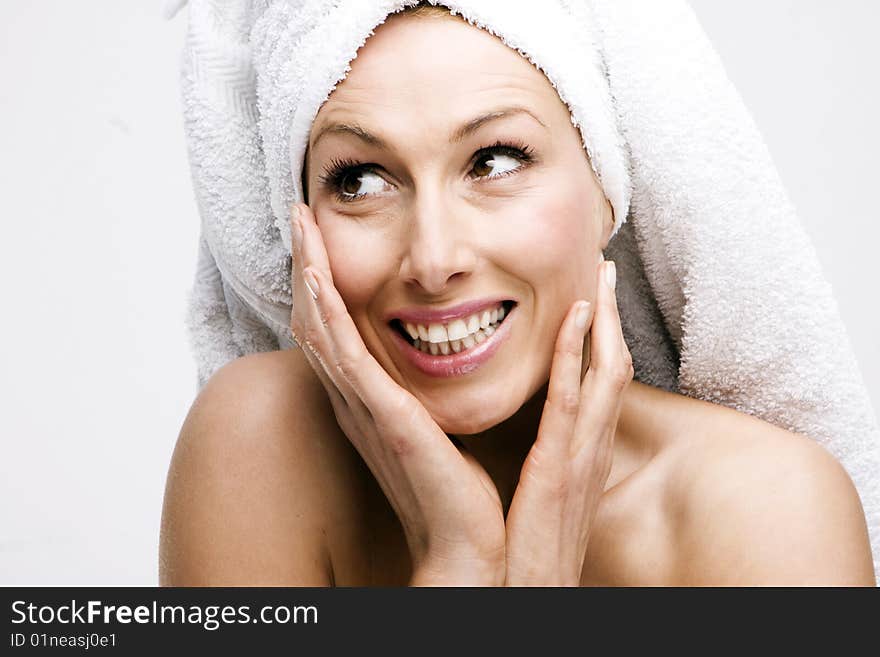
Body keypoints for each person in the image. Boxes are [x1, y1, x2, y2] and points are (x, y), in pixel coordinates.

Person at [159, 4, 875, 586]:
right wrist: (458, 567)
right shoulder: (257, 443)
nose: (434, 259)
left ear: (606, 190)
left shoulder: (770, 511)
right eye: (360, 180)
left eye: (494, 160)